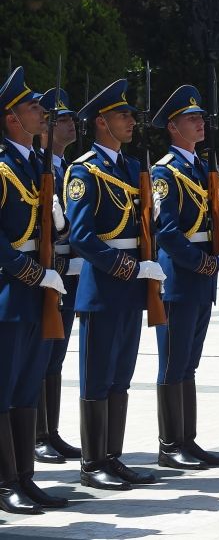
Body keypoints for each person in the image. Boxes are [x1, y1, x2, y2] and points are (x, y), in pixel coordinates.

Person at [67, 78, 166, 490]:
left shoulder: (131, 167)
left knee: (121, 374)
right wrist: (125, 267)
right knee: (97, 375)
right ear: (102, 122)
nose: (131, 121)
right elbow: (81, 235)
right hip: (104, 285)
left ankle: (113, 455)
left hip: (131, 284)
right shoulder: (84, 169)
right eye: (123, 116)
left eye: (130, 115)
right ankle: (92, 463)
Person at [150, 85, 219, 471]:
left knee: (189, 361)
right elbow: (166, 231)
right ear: (173, 126)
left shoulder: (201, 168)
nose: (200, 123)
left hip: (202, 273)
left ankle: (188, 438)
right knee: (173, 360)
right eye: (191, 119)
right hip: (181, 274)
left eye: (201, 117)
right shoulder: (165, 172)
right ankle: (170, 444)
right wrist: (204, 263)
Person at [1, 67, 69, 512]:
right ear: (11, 119)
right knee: (4, 389)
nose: (42, 113)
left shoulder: (31, 163)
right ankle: (6, 484)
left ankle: (24, 476)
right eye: (32, 108)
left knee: (28, 387)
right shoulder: (4, 166)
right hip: (10, 293)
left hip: (36, 291)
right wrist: (31, 273)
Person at [35, 87, 82, 465]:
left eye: (70, 119)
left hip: (68, 270)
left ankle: (49, 431)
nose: (71, 125)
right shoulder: (36, 166)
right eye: (62, 120)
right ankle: (36, 435)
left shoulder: (66, 167)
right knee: (40, 353)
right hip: (45, 270)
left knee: (56, 357)